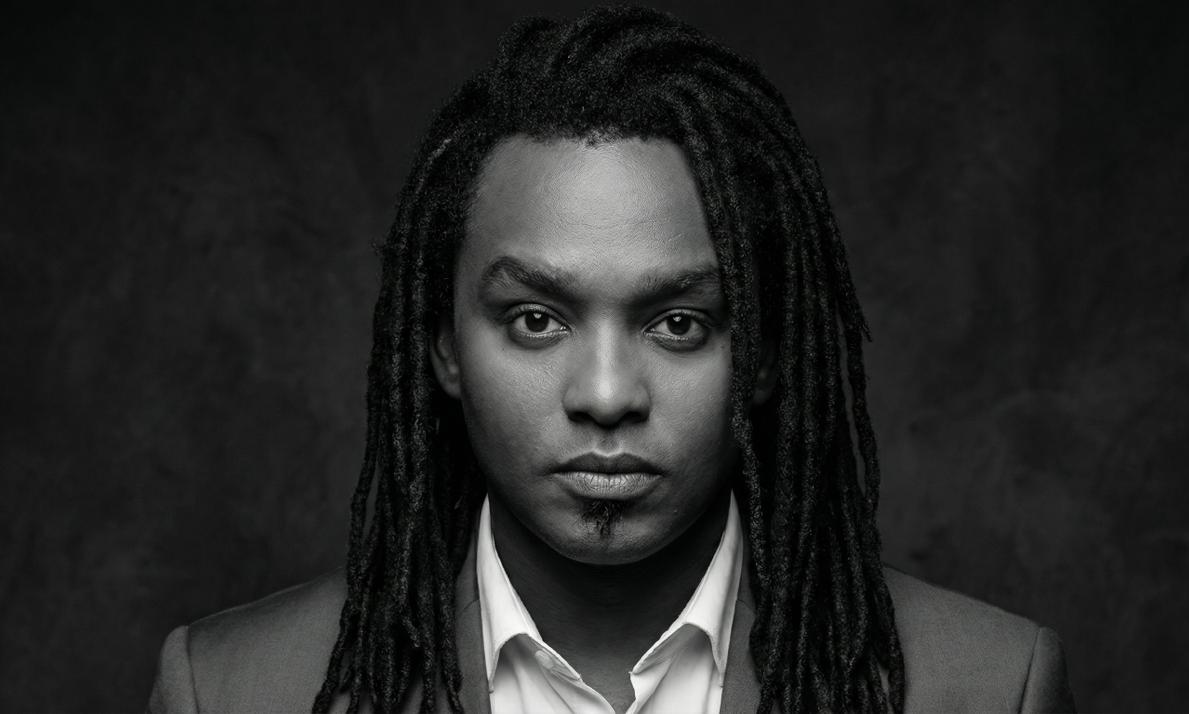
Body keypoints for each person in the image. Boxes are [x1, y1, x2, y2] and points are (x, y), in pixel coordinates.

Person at [147, 6, 1075, 713]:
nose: (604, 395)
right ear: (443, 346)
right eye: (535, 320)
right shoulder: (231, 692)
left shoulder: (989, 688)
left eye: (678, 324)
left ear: (762, 354)